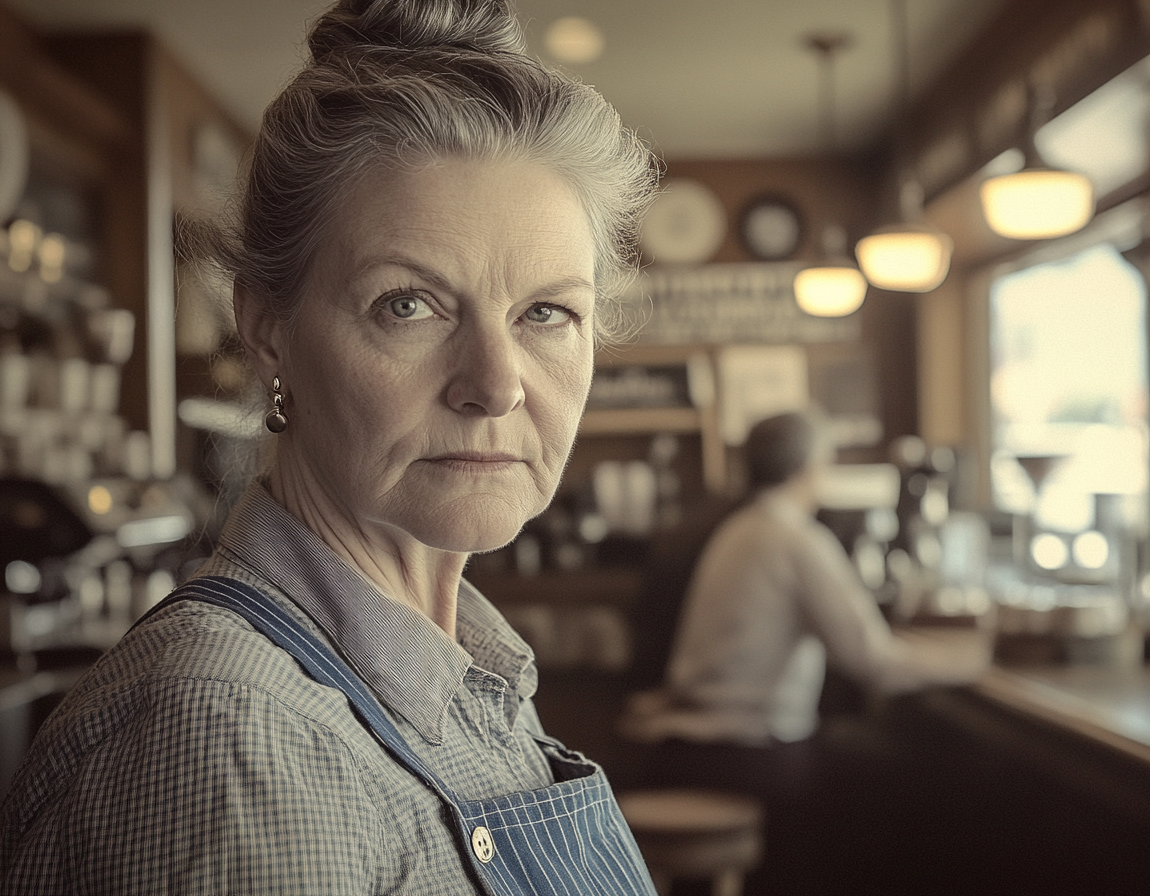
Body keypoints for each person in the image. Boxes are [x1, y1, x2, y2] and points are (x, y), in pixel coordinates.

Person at [0, 1, 660, 893]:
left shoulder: (469, 676)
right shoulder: (231, 739)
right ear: (268, 326)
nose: (496, 383)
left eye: (547, 313)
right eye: (409, 304)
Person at [620, 412, 991, 894]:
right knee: (914, 778)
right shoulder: (794, 538)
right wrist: (974, 660)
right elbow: (875, 663)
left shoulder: (735, 530)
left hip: (686, 751)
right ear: (811, 466)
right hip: (750, 758)